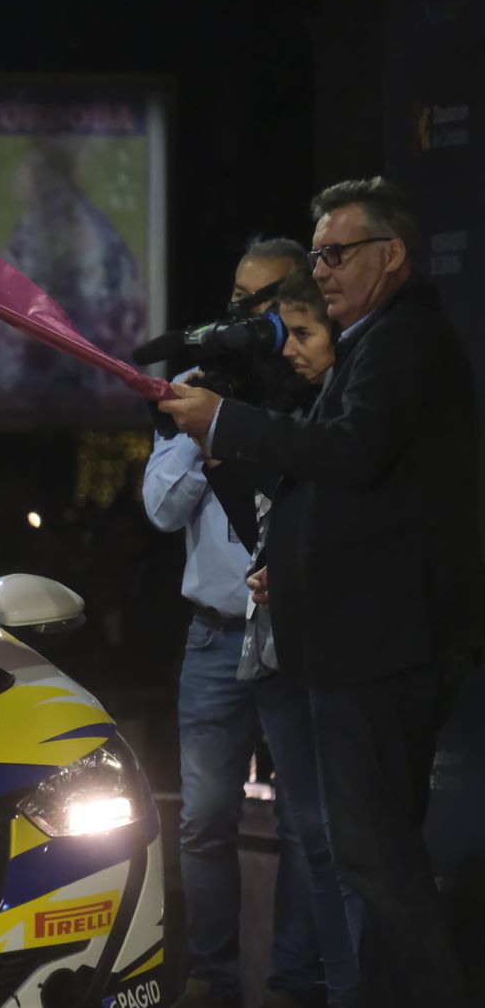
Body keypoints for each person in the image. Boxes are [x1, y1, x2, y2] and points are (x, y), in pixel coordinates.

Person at [160, 178, 481, 1006]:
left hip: (378, 647)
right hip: (358, 641)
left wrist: (226, 423)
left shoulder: (402, 341)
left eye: (337, 254)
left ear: (393, 255)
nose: (324, 270)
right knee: (376, 863)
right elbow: (333, 489)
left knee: (378, 862)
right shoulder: (379, 340)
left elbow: (349, 454)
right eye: (318, 255)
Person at [144, 239, 329, 1008]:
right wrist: (205, 432)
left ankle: (293, 983)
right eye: (234, 296)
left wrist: (249, 428)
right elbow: (160, 509)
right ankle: (210, 980)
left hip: (295, 634)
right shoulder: (194, 384)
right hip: (216, 631)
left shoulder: (312, 383)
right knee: (203, 824)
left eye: (257, 301)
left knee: (303, 828)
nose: (238, 314)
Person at [235, 273, 358, 1008]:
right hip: (272, 648)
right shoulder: (269, 411)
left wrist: (297, 571)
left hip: (333, 650)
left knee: (339, 844)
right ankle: (301, 987)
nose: (293, 352)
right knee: (311, 836)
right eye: (282, 341)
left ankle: (346, 990)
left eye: (305, 335)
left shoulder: (349, 421)